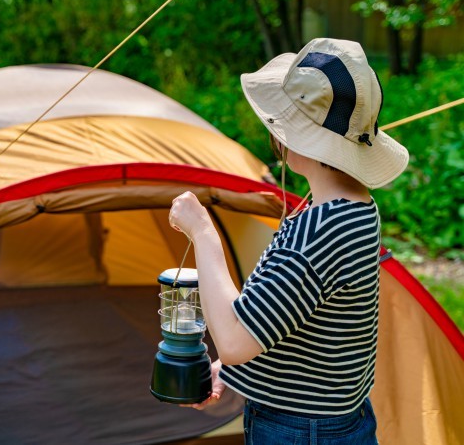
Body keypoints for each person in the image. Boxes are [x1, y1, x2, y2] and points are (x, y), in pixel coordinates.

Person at [168, 38, 409, 444]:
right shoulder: (357, 208)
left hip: (299, 431)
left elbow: (231, 341)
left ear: (298, 142)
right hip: (333, 417)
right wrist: (236, 372)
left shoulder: (316, 232)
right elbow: (299, 321)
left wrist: (203, 232)